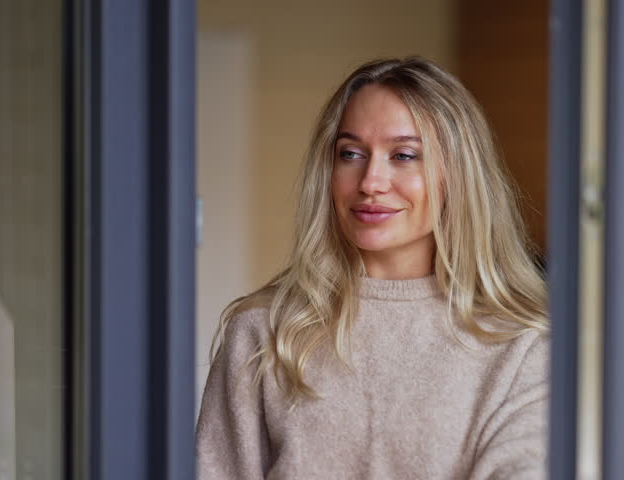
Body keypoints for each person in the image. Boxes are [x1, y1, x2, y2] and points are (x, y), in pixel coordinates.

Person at [196, 57, 549, 479]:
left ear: (456, 175)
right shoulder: (263, 332)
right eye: (351, 153)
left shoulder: (523, 345)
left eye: (403, 155)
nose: (370, 181)